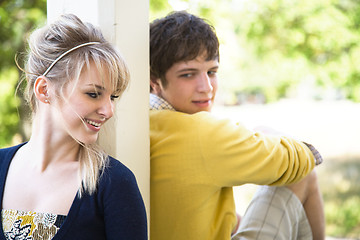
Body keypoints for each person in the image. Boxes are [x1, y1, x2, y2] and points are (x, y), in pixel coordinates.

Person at [149, 11, 325, 240]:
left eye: (212, 72)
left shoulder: (140, 122)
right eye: (188, 74)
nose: (206, 87)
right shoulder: (201, 132)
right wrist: (263, 134)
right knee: (302, 175)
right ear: (155, 82)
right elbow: (304, 159)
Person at [0, 14, 147, 240]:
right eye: (93, 94)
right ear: (44, 90)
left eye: (113, 97)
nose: (108, 111)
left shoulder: (114, 184)